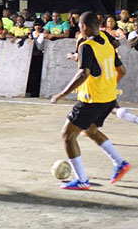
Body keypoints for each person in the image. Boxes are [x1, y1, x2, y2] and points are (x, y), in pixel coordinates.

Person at [51, 11, 131, 190]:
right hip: (109, 97)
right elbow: (122, 70)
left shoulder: (86, 46)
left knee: (67, 136)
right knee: (90, 130)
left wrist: (62, 94)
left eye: (79, 27)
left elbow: (84, 73)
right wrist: (108, 84)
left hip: (91, 99)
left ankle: (82, 180)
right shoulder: (106, 39)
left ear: (84, 27)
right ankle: (120, 163)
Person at [67, 27, 138, 141]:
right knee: (112, 107)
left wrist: (72, 56)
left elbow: (82, 59)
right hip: (109, 76)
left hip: (96, 83)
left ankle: (95, 135)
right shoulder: (105, 37)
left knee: (93, 115)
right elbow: (117, 47)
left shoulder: (84, 41)